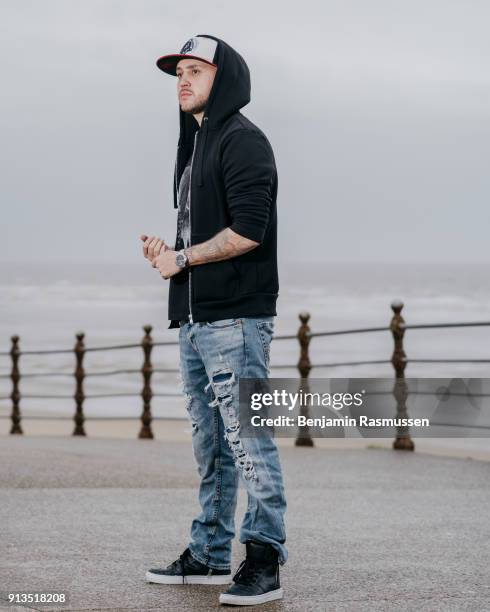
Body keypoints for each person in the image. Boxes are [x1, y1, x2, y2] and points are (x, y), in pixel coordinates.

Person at [140, 34, 286, 606]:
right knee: (211, 443)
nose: (182, 80)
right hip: (198, 318)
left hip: (238, 320)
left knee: (249, 440)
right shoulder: (196, 146)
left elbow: (250, 231)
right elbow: (197, 240)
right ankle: (208, 552)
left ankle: (265, 559)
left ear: (223, 79)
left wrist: (185, 256)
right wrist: (167, 254)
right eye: (178, 72)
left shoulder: (244, 142)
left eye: (195, 71)